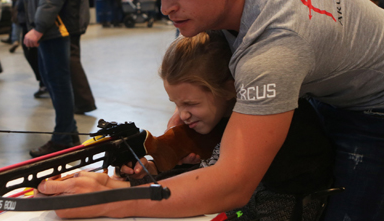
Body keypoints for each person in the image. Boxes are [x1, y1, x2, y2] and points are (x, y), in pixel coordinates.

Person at [37, 0, 384, 220]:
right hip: (329, 78)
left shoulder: (273, 47)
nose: (165, 5)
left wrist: (111, 200)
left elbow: (233, 184)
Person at [67, 31, 334, 220]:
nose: (182, 115)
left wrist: (116, 190)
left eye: (190, 104)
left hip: (287, 204)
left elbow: (211, 183)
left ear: (229, 89)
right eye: (175, 104)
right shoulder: (228, 107)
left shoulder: (252, 118)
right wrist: (153, 169)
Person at [21, 0, 90, 157]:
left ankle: (62, 139)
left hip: (55, 24)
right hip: (50, 23)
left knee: (57, 81)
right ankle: (69, 133)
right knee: (53, 79)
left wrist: (39, 26)